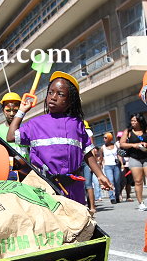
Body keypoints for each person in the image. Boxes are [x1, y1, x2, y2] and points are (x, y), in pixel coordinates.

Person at [7, 71, 112, 204]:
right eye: (50, 92)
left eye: (60, 94)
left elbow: (87, 153)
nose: (53, 97)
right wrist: (21, 111)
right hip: (45, 188)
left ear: (70, 101)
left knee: (76, 216)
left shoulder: (77, 124)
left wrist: (100, 175)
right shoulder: (35, 124)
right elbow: (11, 136)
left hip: (74, 189)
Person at [120, 113, 147, 210]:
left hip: (146, 157)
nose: (133, 122)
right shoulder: (128, 131)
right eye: (131, 120)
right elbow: (122, 144)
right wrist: (133, 145)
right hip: (134, 158)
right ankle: (140, 203)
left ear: (140, 121)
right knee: (138, 181)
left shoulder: (145, 130)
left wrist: (145, 144)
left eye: (135, 120)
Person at [0, 93, 29, 159]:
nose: (11, 114)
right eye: (8, 110)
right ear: (3, 110)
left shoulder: (26, 129)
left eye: (15, 110)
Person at [101, 132, 121, 204]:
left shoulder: (115, 146)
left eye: (105, 137)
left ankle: (117, 196)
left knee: (117, 182)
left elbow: (119, 155)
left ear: (110, 138)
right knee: (110, 181)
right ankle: (112, 197)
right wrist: (101, 165)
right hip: (108, 166)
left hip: (116, 165)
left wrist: (122, 164)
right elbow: (101, 157)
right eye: (104, 138)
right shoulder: (102, 147)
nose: (104, 139)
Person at [116, 131, 133, 203]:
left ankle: (128, 196)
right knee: (123, 181)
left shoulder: (128, 143)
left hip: (130, 164)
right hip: (122, 165)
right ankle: (119, 194)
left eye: (121, 137)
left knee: (129, 181)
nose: (120, 139)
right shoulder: (117, 145)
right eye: (119, 138)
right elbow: (119, 155)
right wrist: (122, 164)